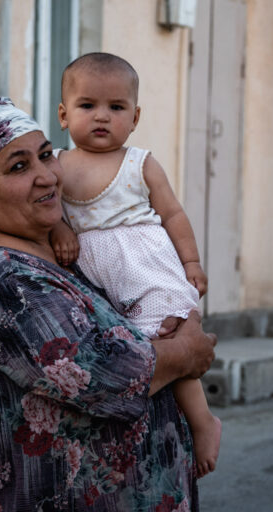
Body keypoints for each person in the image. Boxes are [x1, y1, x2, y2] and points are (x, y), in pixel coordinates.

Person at [0, 97, 217, 511]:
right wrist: (185, 353)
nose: (46, 177)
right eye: (19, 166)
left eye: (46, 155)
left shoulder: (53, 247)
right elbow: (101, 374)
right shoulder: (7, 278)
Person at [49, 53, 222, 477]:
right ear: (64, 114)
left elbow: (173, 215)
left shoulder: (140, 163)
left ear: (136, 116)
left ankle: (203, 423)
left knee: (169, 337)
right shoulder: (55, 165)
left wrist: (192, 262)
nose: (102, 117)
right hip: (97, 279)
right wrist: (61, 231)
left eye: (117, 107)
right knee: (124, 356)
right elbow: (49, 213)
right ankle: (126, 442)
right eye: (88, 106)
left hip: (146, 271)